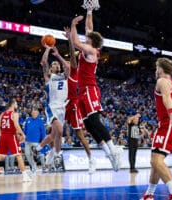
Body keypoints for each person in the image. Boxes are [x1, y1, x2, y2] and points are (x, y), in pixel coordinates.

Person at [71, 9, 122, 171]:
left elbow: (76, 43)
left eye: (88, 37)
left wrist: (72, 25)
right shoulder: (91, 45)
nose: (86, 36)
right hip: (82, 91)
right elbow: (89, 27)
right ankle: (109, 154)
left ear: (92, 41)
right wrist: (89, 11)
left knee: (94, 121)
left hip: (90, 89)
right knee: (89, 125)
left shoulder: (91, 50)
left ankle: (114, 150)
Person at [141, 58, 172, 200]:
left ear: (161, 69)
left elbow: (166, 98)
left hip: (169, 123)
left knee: (156, 161)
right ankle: (149, 195)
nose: (156, 71)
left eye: (157, 68)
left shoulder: (162, 81)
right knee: (156, 160)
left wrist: (171, 113)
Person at [54, 26, 96, 173]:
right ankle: (55, 154)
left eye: (66, 65)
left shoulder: (74, 72)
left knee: (79, 134)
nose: (64, 66)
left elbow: (72, 56)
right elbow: (67, 62)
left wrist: (70, 40)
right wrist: (58, 55)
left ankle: (91, 159)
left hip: (75, 105)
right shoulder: (67, 75)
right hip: (66, 104)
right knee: (54, 128)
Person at [33, 41, 69, 168]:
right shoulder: (48, 77)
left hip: (62, 107)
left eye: (57, 64)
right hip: (52, 107)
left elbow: (69, 67)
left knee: (54, 135)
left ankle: (37, 149)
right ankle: (57, 153)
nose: (55, 65)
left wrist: (59, 56)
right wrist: (47, 49)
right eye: (53, 64)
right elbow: (43, 62)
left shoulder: (64, 76)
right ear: (51, 68)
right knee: (59, 130)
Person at [0, 99, 31, 183]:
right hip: (11, 136)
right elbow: (16, 125)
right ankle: (24, 176)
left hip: (3, 136)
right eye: (16, 103)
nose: (17, 105)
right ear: (12, 104)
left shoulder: (2, 114)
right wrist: (23, 134)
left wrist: (0, 135)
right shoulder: (15, 114)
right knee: (19, 156)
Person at [23, 108, 46, 173]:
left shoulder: (40, 121)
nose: (34, 114)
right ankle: (33, 166)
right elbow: (25, 129)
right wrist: (23, 136)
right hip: (27, 141)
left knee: (39, 154)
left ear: (38, 114)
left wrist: (43, 140)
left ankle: (42, 166)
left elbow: (43, 131)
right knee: (27, 154)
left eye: (35, 113)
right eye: (33, 113)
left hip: (36, 141)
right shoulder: (28, 120)